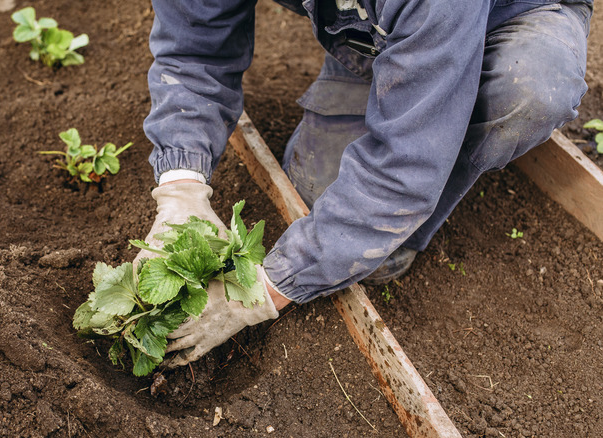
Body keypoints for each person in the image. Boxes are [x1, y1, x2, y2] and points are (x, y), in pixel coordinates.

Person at [136, 0, 593, 367]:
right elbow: (193, 50)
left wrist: (263, 291)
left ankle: (448, 107)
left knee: (527, 90)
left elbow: (402, 172)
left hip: (508, 15)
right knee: (320, 199)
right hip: (381, 25)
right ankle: (391, 58)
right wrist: (181, 186)